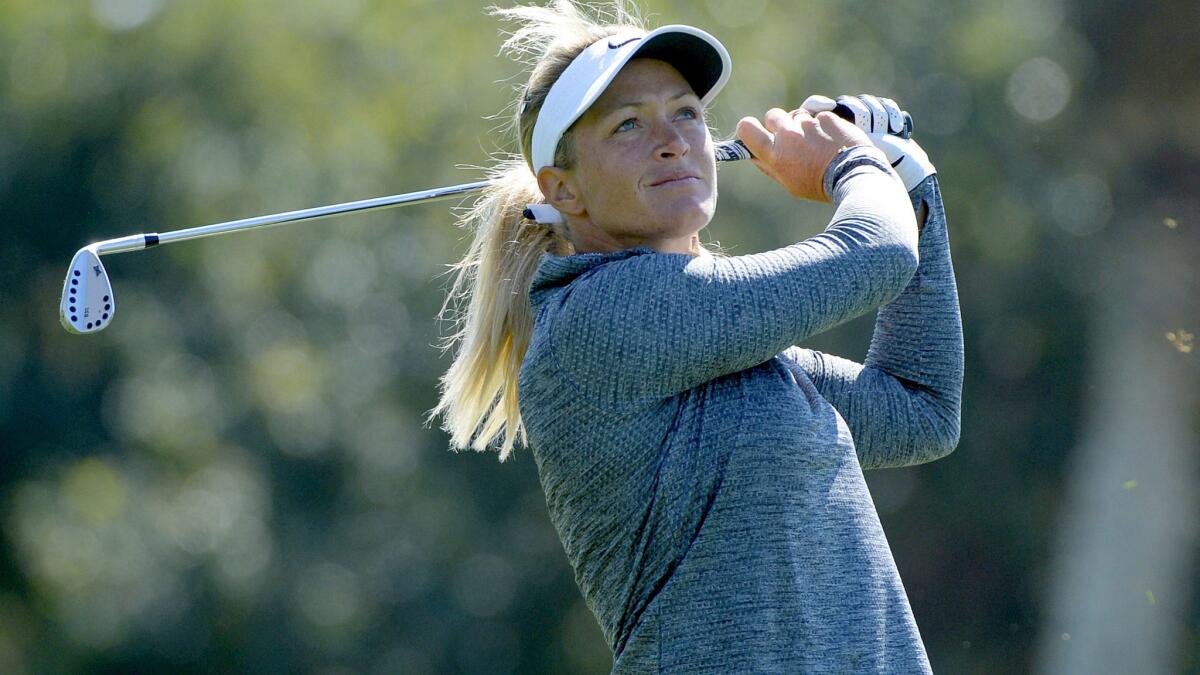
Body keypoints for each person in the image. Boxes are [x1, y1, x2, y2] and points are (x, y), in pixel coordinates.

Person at [427, 1, 963, 672]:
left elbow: (919, 408)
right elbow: (875, 255)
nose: (673, 139)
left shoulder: (731, 351)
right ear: (563, 190)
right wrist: (855, 166)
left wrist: (914, 189)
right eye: (629, 124)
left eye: (686, 113)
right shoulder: (597, 316)